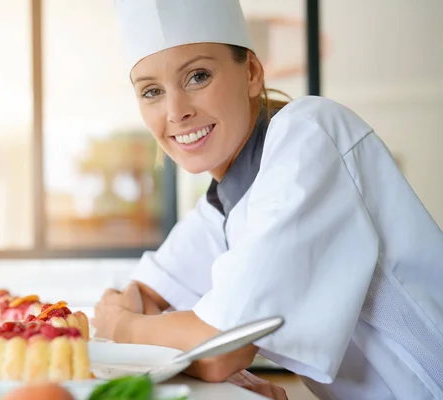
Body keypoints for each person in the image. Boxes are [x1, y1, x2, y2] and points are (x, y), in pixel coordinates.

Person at [92, 0, 443, 399]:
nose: (176, 112)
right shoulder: (223, 205)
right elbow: (141, 296)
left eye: (198, 76)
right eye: (152, 91)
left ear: (253, 74)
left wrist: (125, 328)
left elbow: (220, 347)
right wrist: (213, 366)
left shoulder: (309, 135)